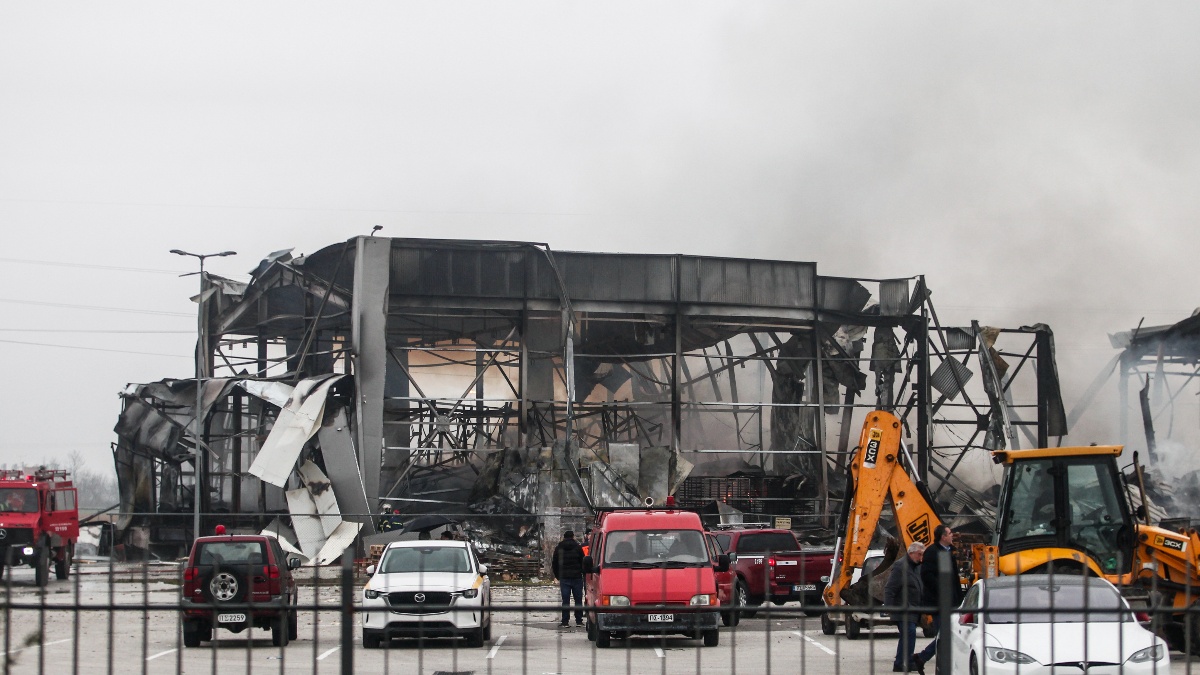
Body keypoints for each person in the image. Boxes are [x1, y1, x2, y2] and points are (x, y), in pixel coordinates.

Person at [886, 541, 928, 674]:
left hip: (914, 609)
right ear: (911, 553)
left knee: (907, 635)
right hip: (902, 608)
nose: (921, 558)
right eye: (919, 554)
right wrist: (889, 608)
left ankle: (899, 663)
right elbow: (890, 588)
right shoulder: (900, 566)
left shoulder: (917, 566)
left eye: (922, 555)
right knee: (909, 633)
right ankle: (907, 662)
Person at [552, 530, 586, 628]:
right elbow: (583, 561)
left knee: (565, 600)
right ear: (573, 536)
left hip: (564, 577)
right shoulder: (578, 547)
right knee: (578, 599)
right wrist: (582, 573)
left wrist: (558, 576)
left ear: (564, 537)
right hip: (576, 577)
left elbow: (554, 563)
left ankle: (565, 621)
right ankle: (579, 621)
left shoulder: (559, 548)